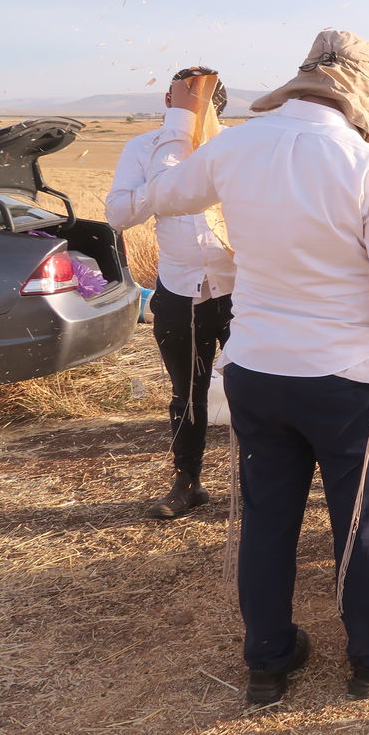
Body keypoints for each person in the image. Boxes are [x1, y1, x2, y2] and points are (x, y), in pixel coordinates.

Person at [136, 31, 369, 704]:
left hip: (254, 369)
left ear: (304, 78)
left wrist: (178, 125)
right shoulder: (366, 165)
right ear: (360, 94)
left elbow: (164, 195)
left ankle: (268, 660)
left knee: (267, 517)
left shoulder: (235, 145)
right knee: (361, 518)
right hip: (344, 375)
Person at [106, 66, 236, 519]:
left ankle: (263, 482)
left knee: (258, 387)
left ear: (219, 106)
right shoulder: (143, 148)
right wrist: (162, 189)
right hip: (180, 290)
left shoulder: (237, 146)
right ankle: (188, 483)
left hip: (242, 289)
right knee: (187, 391)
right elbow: (119, 214)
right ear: (168, 101)